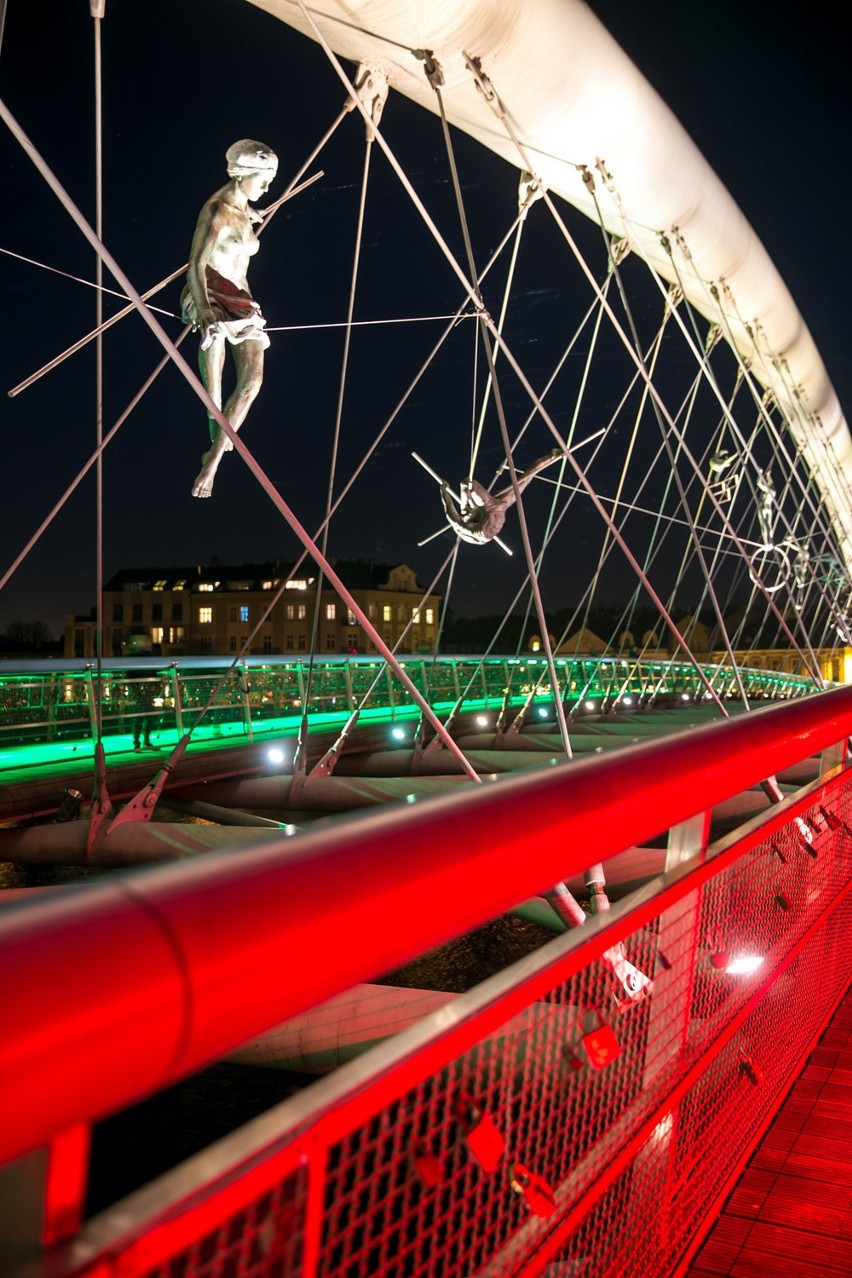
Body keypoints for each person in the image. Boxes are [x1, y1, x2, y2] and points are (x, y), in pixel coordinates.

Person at [181, 139, 279, 499]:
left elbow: (242, 235)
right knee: (216, 341)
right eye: (264, 179)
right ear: (243, 175)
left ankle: (216, 443)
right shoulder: (218, 210)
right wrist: (205, 309)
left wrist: (250, 217)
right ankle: (212, 463)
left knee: (253, 382)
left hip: (241, 299)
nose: (268, 188)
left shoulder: (241, 208)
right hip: (208, 290)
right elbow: (195, 263)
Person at [441, 449, 563, 545]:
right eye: (467, 514)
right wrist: (444, 491)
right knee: (466, 482)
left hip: (497, 512)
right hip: (490, 515)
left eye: (466, 512)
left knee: (527, 477)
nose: (467, 513)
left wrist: (445, 490)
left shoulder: (472, 524)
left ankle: (552, 456)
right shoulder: (461, 526)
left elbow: (450, 506)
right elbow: (448, 506)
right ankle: (553, 456)